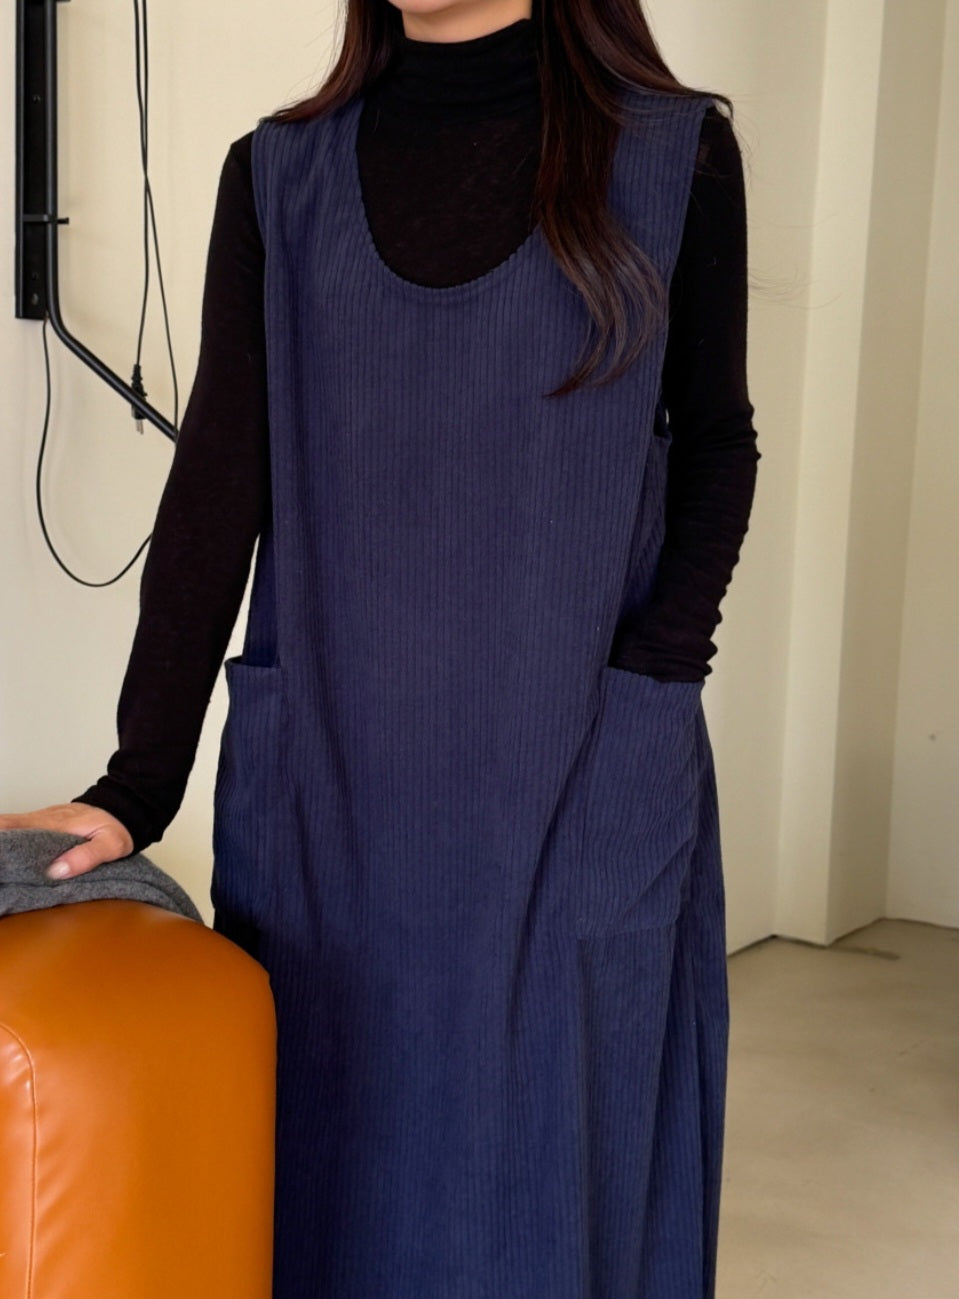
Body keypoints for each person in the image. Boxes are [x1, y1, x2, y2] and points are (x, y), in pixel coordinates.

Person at [1, 1, 759, 1295]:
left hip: (580, 775)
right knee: (328, 1180)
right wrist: (139, 782)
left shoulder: (671, 154)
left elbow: (715, 447)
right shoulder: (278, 177)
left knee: (552, 1182)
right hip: (338, 790)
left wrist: (656, 679)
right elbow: (219, 481)